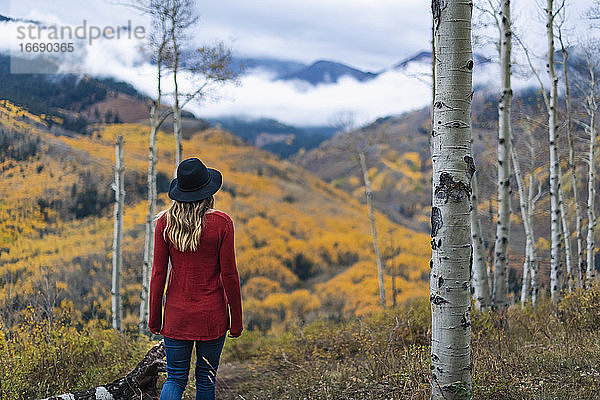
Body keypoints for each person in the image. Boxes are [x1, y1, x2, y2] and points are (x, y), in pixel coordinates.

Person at [148, 157, 243, 400]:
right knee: (205, 379)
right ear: (208, 191)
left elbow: (158, 274)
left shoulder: (164, 224)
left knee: (175, 377)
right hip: (212, 317)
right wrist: (237, 320)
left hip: (177, 316)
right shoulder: (222, 224)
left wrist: (155, 319)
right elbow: (229, 275)